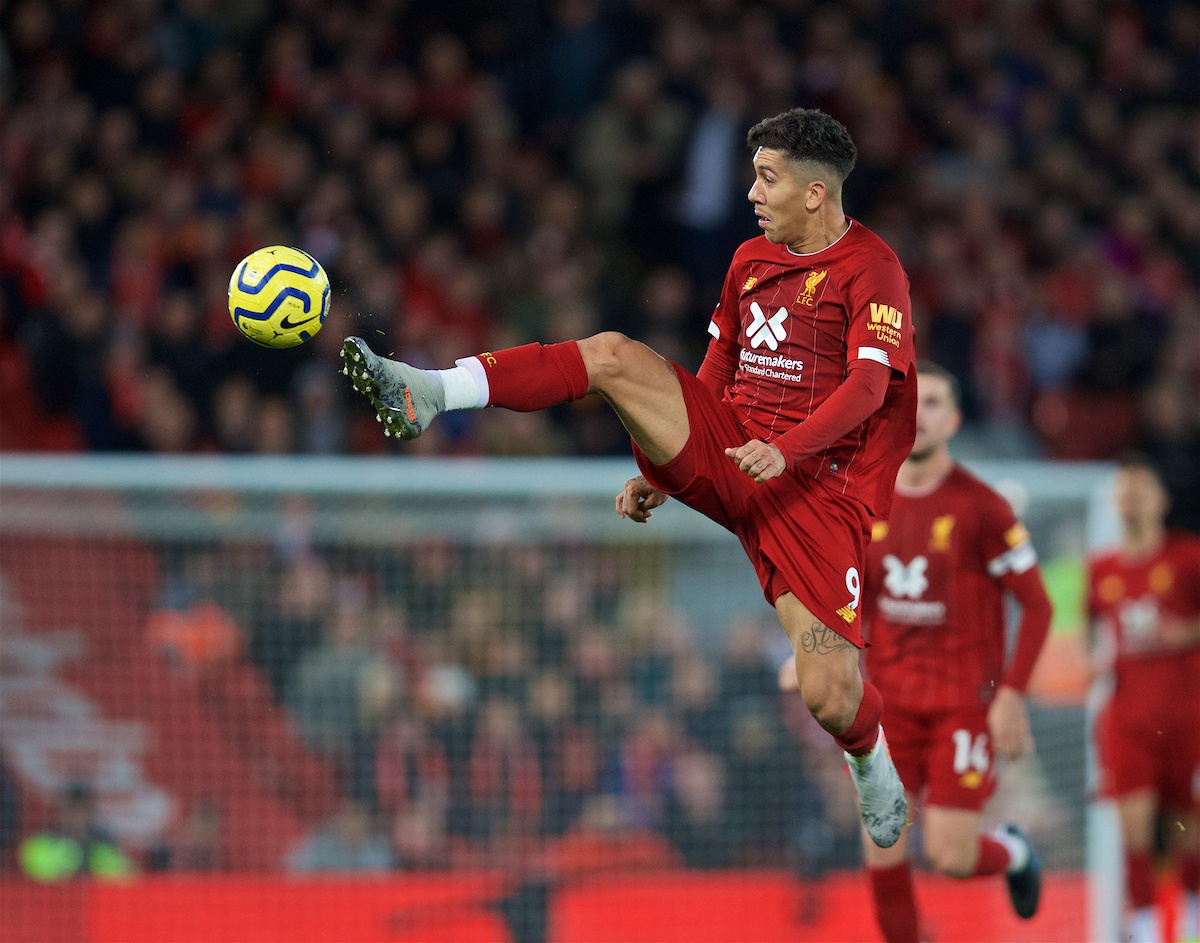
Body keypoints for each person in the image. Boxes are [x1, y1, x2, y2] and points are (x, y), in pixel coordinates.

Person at [341, 107, 916, 849]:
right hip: (737, 450)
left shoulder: (875, 269)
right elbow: (717, 372)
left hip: (817, 493)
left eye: (766, 178)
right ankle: (429, 390)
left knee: (829, 695)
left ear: (814, 193)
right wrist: (669, 460)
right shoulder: (749, 260)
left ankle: (871, 760)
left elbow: (870, 389)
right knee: (612, 354)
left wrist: (791, 449)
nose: (750, 193)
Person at [778, 362, 1051, 940]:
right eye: (911, 404)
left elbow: (1039, 606)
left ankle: (1014, 853)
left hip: (962, 705)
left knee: (950, 856)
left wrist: (1013, 696)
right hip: (890, 707)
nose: (920, 416)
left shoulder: (983, 508)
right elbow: (848, 599)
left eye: (934, 405)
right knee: (884, 847)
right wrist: (812, 652)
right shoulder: (862, 503)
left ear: (952, 420)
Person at [1086, 452, 1200, 943]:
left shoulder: (1189, 557)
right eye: (1124, 492)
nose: (1131, 500)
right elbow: (1088, 635)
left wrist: (1186, 632)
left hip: (1187, 712)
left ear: (1161, 501)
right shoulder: (1100, 569)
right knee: (1133, 825)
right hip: (1128, 715)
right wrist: (1088, 661)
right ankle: (1147, 927)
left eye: (1141, 491)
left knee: (1185, 824)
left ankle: (1192, 916)